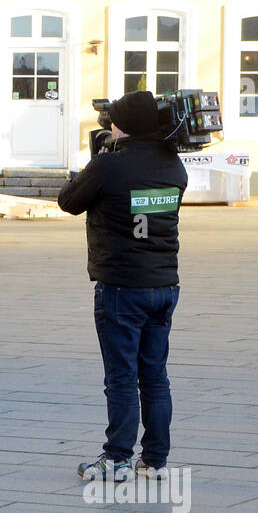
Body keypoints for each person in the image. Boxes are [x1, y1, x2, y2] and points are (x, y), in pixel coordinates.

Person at [56, 90, 188, 482]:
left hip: (122, 287)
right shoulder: (173, 165)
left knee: (121, 376)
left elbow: (68, 200)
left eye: (114, 120)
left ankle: (116, 459)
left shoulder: (110, 166)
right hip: (164, 285)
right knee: (155, 375)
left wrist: (97, 160)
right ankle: (155, 461)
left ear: (123, 126)